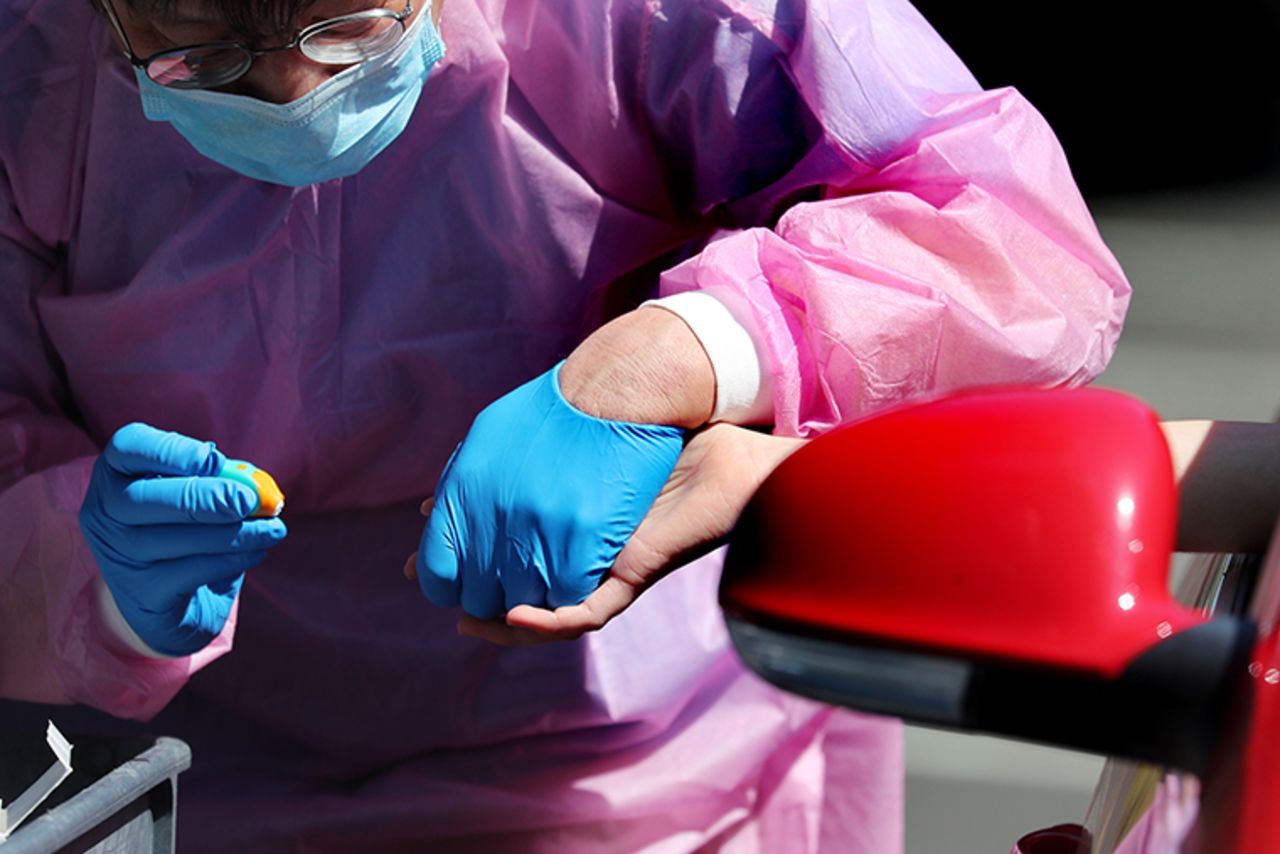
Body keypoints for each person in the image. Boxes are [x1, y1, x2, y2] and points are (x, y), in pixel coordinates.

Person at [0, 0, 1131, 849]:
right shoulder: (28, 70)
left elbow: (1010, 242)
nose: (292, 88)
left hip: (672, 773)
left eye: (343, 19)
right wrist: (93, 582)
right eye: (202, 39)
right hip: (204, 776)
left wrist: (684, 354)